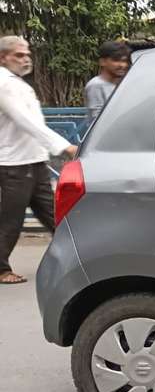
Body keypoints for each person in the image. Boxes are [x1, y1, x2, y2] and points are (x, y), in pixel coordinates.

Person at [0, 36, 78, 285]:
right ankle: (1, 269)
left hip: (34, 161)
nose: (26, 59)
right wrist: (64, 147)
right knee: (11, 220)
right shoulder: (4, 83)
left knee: (55, 215)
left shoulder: (18, 84)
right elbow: (26, 121)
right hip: (14, 164)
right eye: (19, 55)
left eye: (27, 54)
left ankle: (77, 258)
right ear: (3, 58)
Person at [84, 40, 130, 125]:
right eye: (116, 60)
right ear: (103, 62)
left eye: (124, 61)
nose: (122, 65)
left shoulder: (125, 83)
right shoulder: (96, 85)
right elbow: (97, 120)